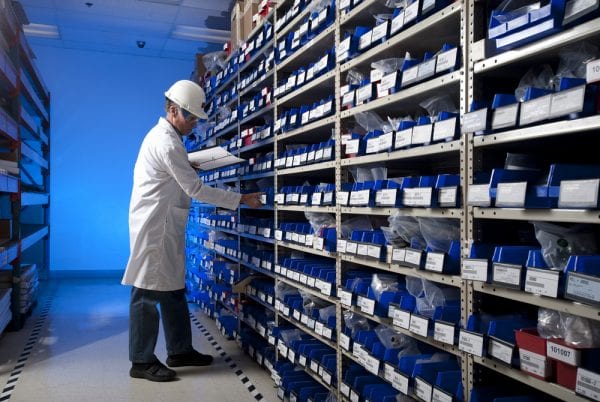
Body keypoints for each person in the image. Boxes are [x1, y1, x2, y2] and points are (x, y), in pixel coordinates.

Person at [122, 79, 262, 382]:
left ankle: (180, 349)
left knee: (172, 288)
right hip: (155, 225)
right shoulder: (166, 142)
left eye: (197, 119)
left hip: (165, 223)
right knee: (145, 292)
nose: (193, 124)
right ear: (173, 110)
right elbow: (195, 189)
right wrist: (239, 199)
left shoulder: (170, 139)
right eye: (190, 117)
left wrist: (188, 164)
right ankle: (141, 361)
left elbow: (176, 174)